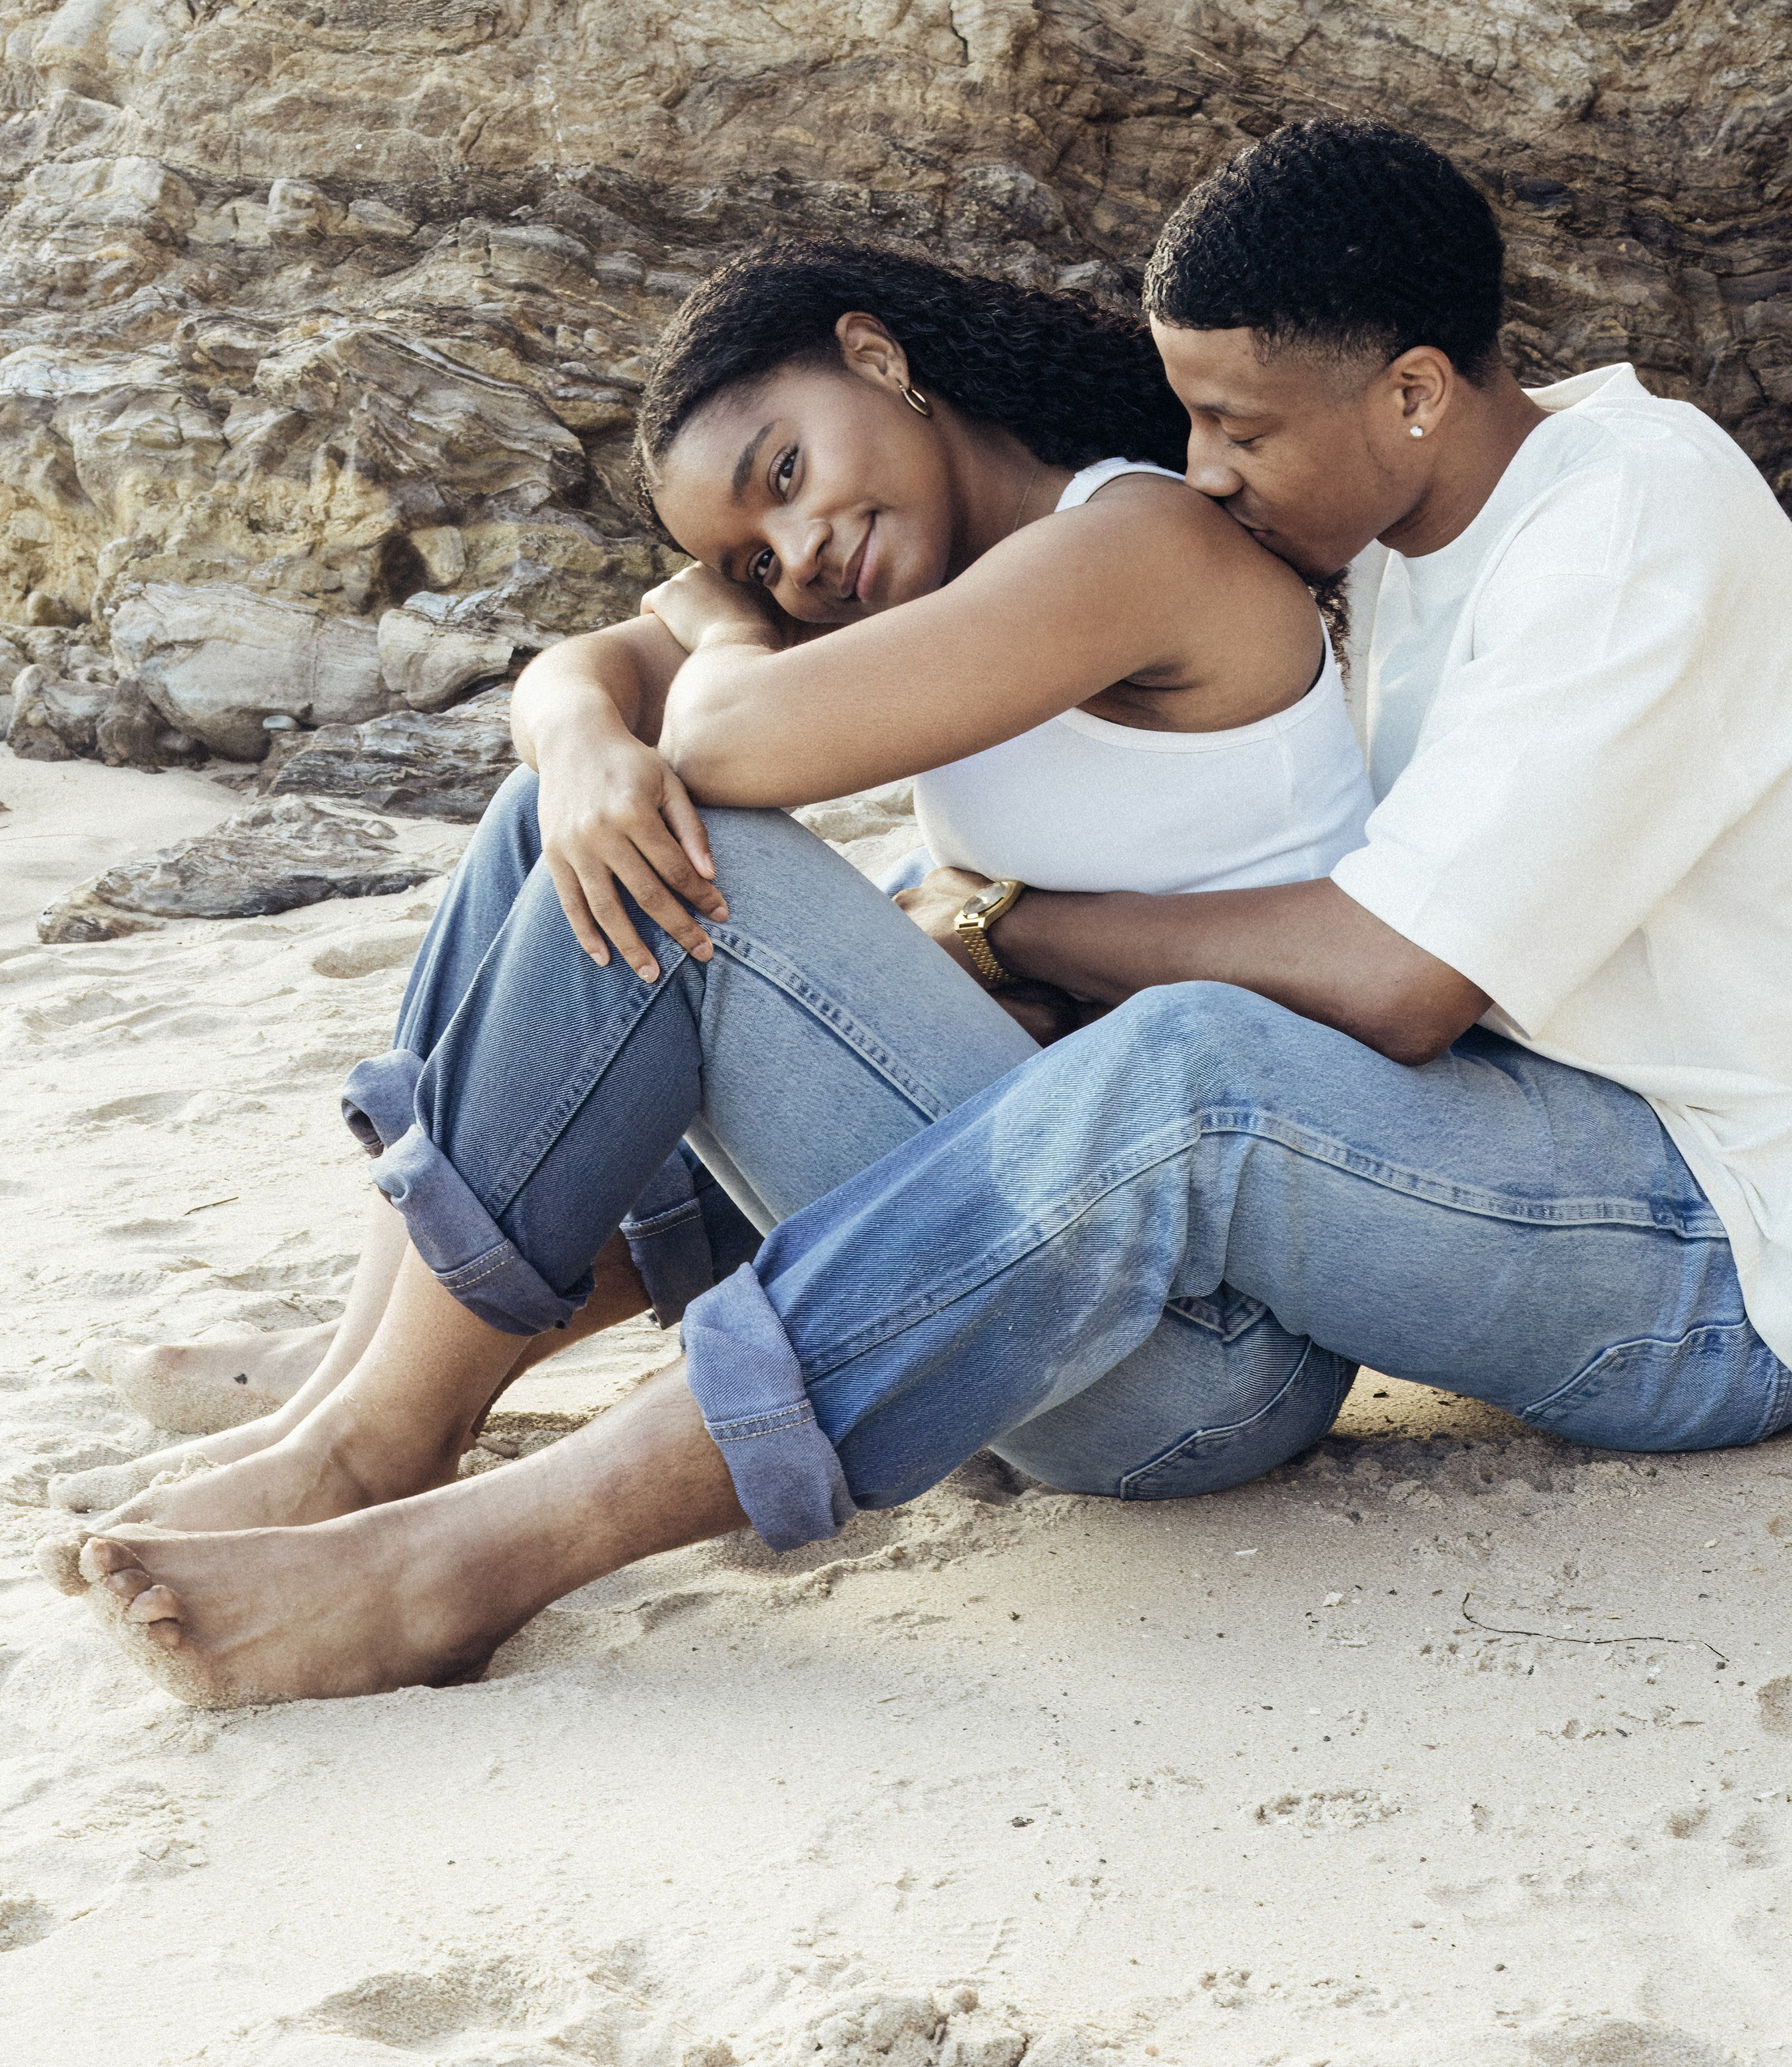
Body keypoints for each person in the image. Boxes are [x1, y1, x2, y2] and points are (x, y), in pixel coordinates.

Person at [62, 121, 1792, 1706]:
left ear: (1412, 391)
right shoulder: (1387, 529)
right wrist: (595, 719)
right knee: (586, 836)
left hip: (1724, 1257)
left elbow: (1390, 980)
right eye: (1192, 419)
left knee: (1142, 1045)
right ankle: (372, 1403)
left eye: (1236, 428)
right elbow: (632, 689)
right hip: (1395, 1203)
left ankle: (465, 1537)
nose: (1206, 469)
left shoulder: (1628, 527)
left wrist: (1012, 928)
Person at [47, 233, 1372, 1542]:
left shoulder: (1128, 542)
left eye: (785, 470)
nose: (795, 553)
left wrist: (720, 623)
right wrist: (575, 750)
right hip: (1027, 1267)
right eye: (750, 558)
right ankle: (362, 1372)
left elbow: (719, 740)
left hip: (1196, 1355)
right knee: (558, 816)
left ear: (878, 356)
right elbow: (576, 678)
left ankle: (372, 1436)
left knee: (690, 850)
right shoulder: (911, 568)